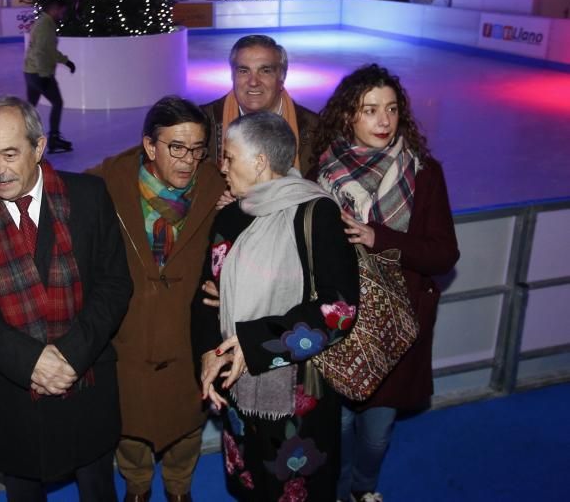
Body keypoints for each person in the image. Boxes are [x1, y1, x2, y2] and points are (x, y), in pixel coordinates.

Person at [0, 95, 131, 501]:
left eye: (9, 154)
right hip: (11, 393)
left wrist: (69, 356)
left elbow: (115, 284)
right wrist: (30, 362)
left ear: (39, 147)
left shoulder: (89, 196)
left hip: (87, 380)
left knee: (98, 489)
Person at [310, 64, 459, 502]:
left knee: (376, 434)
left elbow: (444, 253)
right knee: (335, 428)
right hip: (341, 326)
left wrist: (380, 237)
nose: (383, 121)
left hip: (398, 324)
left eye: (392, 109)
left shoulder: (424, 172)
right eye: (370, 109)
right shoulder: (320, 175)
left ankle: (363, 490)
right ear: (347, 116)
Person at [193, 112, 360, 501]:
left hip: (299, 399)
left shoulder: (318, 215)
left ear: (259, 162)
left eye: (229, 158)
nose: (222, 167)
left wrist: (252, 344)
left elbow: (340, 311)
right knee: (251, 486)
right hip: (238, 391)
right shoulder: (232, 216)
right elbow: (205, 295)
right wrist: (207, 353)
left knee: (293, 489)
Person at [85, 96, 226, 502]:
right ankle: (137, 487)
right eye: (176, 148)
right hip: (129, 339)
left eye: (197, 149)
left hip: (188, 340)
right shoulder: (107, 184)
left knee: (187, 427)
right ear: (150, 146)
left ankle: (180, 489)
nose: (188, 160)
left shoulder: (218, 186)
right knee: (130, 428)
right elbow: (46, 190)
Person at [201, 34, 319, 175]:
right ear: (232, 76)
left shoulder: (315, 130)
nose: (253, 82)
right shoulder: (204, 123)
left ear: (282, 77)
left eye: (265, 71)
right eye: (244, 71)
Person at [24, 0, 76, 154]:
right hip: (39, 73)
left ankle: (22, 137)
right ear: (54, 9)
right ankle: (53, 138)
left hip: (31, 72)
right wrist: (44, 76)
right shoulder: (45, 26)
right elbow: (41, 52)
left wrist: (66, 61)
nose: (62, 14)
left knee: (30, 107)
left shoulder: (44, 23)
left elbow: (50, 51)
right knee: (57, 103)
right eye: (61, 11)